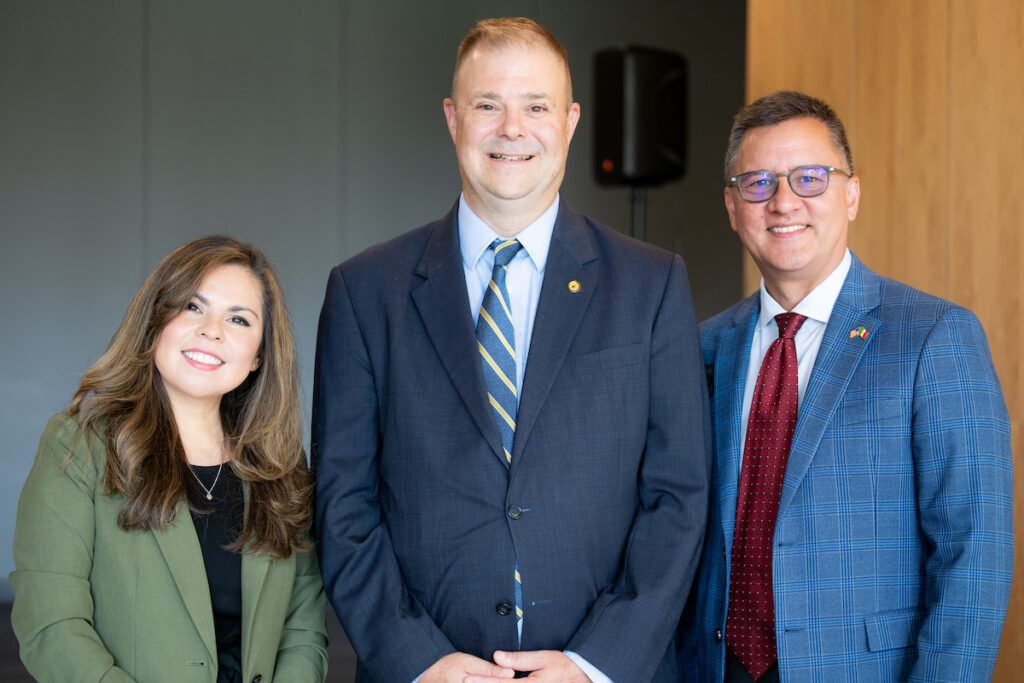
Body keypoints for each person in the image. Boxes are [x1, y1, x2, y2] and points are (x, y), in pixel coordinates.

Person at [312, 16, 709, 683]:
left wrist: (594, 663)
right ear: (452, 118)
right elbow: (342, 502)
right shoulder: (364, 291)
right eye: (487, 105)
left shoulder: (651, 284)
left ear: (571, 121)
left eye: (536, 106)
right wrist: (420, 660)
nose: (511, 128)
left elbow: (679, 496)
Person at [688, 90, 1013, 681]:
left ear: (851, 194)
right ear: (733, 208)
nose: (784, 202)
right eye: (758, 183)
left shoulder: (936, 337)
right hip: (714, 667)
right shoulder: (703, 348)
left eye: (810, 178)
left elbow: (974, 557)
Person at [11, 236, 328, 682]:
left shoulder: (281, 466)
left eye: (238, 319)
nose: (212, 330)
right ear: (155, 320)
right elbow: (51, 622)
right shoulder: (79, 446)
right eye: (193, 307)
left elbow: (304, 626)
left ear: (259, 355)